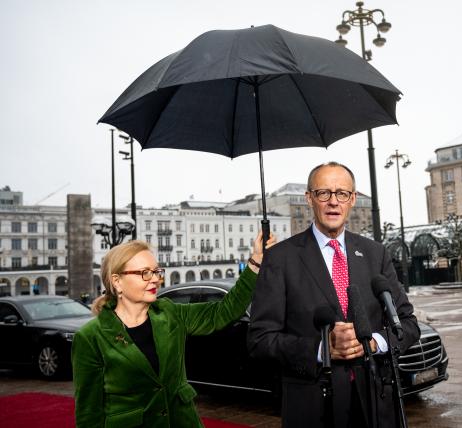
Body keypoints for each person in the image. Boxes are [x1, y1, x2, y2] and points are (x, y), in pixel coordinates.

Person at [248, 162, 420, 428]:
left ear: (352, 199)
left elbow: (408, 326)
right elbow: (260, 340)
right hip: (313, 406)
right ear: (309, 198)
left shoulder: (376, 254)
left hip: (376, 403)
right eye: (323, 193)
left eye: (341, 193)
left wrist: (373, 342)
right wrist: (321, 349)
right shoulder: (280, 258)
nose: (333, 202)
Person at [72, 231, 275, 428]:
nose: (155, 279)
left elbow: (223, 312)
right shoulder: (90, 337)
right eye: (144, 273)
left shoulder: (169, 313)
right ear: (117, 281)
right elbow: (89, 414)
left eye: (156, 271)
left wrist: (256, 261)